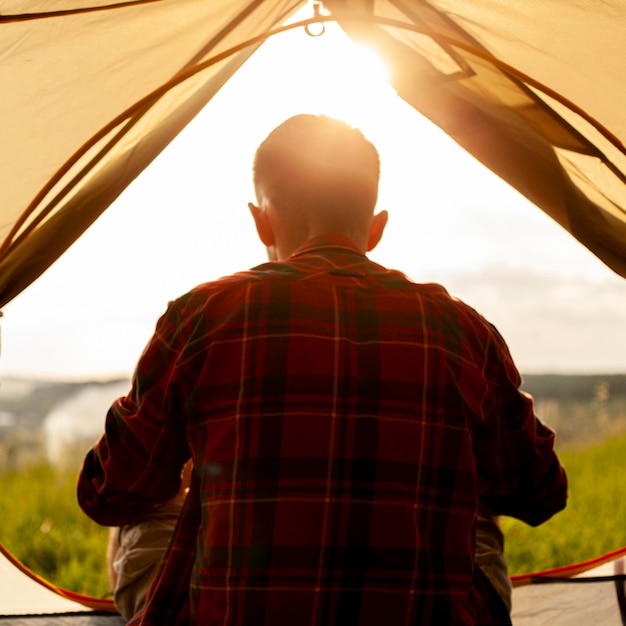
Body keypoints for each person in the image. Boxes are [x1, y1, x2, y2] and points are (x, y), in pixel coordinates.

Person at [78, 113, 567, 625]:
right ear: (376, 228)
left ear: (260, 220)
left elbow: (106, 494)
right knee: (478, 502)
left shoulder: (200, 317)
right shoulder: (466, 332)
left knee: (147, 500)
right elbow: (540, 494)